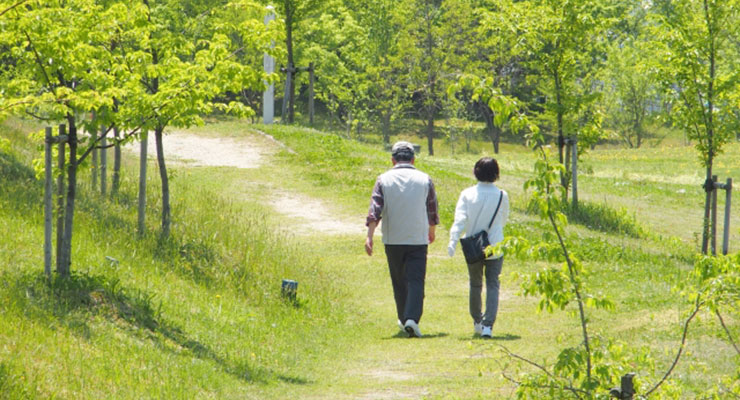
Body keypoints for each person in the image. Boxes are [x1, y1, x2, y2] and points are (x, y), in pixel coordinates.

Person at [365, 141, 440, 338]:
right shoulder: (425, 179)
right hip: (417, 237)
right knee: (416, 280)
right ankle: (411, 319)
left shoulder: (383, 179)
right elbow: (432, 208)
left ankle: (404, 317)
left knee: (399, 281)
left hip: (393, 238)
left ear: (392, 160)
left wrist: (369, 236)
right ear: (413, 159)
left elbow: (375, 210)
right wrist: (431, 230)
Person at [447, 157, 509, 338]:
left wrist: (453, 240)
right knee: (493, 285)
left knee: (475, 284)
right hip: (495, 244)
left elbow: (460, 220)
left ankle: (477, 321)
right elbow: (503, 220)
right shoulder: (502, 195)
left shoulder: (467, 194)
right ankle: (488, 325)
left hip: (473, 246)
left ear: (476, 171)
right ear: (496, 173)